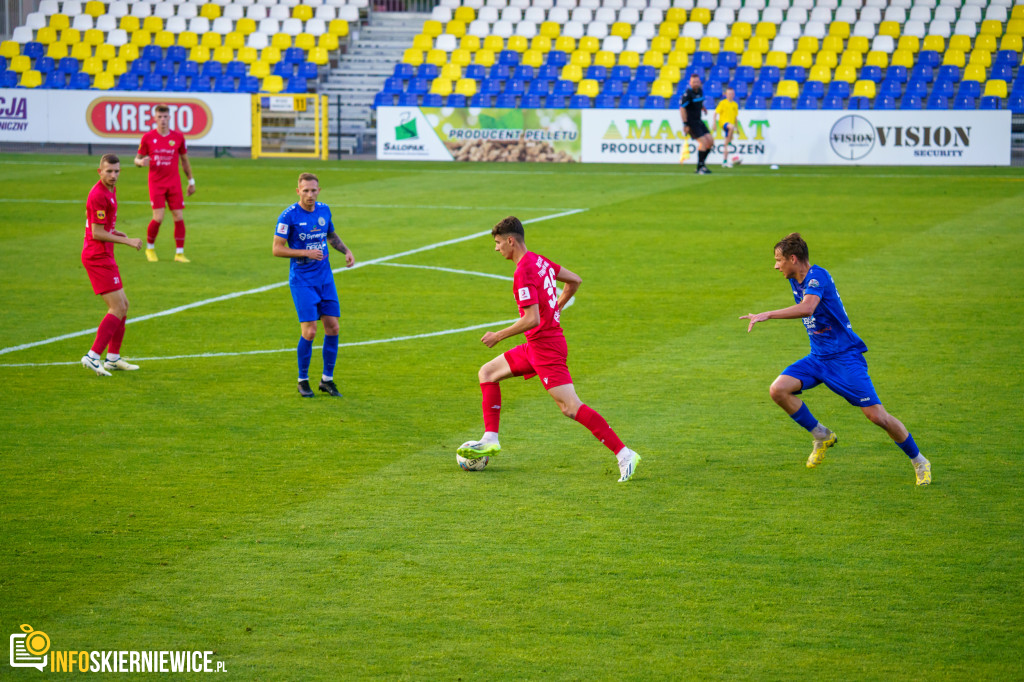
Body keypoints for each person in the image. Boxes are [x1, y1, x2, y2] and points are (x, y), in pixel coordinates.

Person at [458, 216, 641, 483]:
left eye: (498, 243)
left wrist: (499, 335)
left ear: (511, 241)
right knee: (487, 373)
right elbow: (574, 281)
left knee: (570, 407)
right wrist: (556, 307)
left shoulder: (522, 272)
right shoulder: (540, 261)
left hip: (546, 349)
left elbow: (531, 319)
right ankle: (490, 439)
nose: (496, 248)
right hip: (536, 344)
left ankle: (625, 454)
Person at [740, 233, 931, 486]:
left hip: (844, 359)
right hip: (818, 358)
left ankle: (919, 461)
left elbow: (807, 308)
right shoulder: (795, 278)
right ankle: (822, 435)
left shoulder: (817, 276)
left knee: (877, 417)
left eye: (779, 260)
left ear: (793, 259)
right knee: (778, 390)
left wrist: (768, 314)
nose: (776, 266)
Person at [272, 172, 355, 398]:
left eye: (313, 190)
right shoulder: (288, 216)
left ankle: (327, 380)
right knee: (310, 331)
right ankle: (302, 380)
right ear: (298, 191)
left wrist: (346, 251)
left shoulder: (324, 210)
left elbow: (331, 235)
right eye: (305, 190)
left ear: (319, 190)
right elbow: (277, 248)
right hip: (302, 280)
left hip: (325, 278)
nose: (309, 194)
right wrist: (305, 252)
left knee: (333, 327)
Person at [80, 153, 143, 377]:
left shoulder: (110, 190)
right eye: (108, 171)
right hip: (97, 257)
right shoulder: (98, 194)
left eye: (116, 171)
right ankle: (92, 356)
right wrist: (127, 240)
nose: (113, 175)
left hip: (105, 255)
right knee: (117, 307)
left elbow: (99, 226)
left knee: (123, 305)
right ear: (100, 171)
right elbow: (96, 232)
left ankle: (113, 358)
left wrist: (115, 232)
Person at [135, 104, 195, 263]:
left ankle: (179, 253)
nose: (162, 120)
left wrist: (191, 181)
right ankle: (150, 248)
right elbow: (137, 159)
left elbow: (184, 160)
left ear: (170, 118)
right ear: (155, 118)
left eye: (165, 117)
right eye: (159, 117)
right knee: (158, 217)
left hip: (174, 183)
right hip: (156, 183)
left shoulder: (178, 137)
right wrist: (141, 163)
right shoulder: (148, 138)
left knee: (178, 216)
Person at [679, 73, 714, 175]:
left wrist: (703, 107)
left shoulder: (700, 91)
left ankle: (702, 164)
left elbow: (699, 102)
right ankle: (700, 167)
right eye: (694, 82)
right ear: (690, 83)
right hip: (691, 123)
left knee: (710, 142)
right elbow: (682, 109)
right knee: (703, 142)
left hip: (699, 121)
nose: (696, 83)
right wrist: (685, 124)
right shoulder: (687, 94)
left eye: (697, 82)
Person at [713, 86, 739, 168]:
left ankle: (725, 161)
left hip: (730, 125)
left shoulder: (735, 104)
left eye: (731, 94)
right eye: (728, 94)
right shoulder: (723, 103)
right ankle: (730, 142)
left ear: (733, 94)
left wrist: (737, 128)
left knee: (726, 144)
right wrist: (714, 123)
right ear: (726, 94)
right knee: (731, 127)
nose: (730, 95)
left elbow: (735, 118)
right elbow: (715, 113)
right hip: (723, 123)